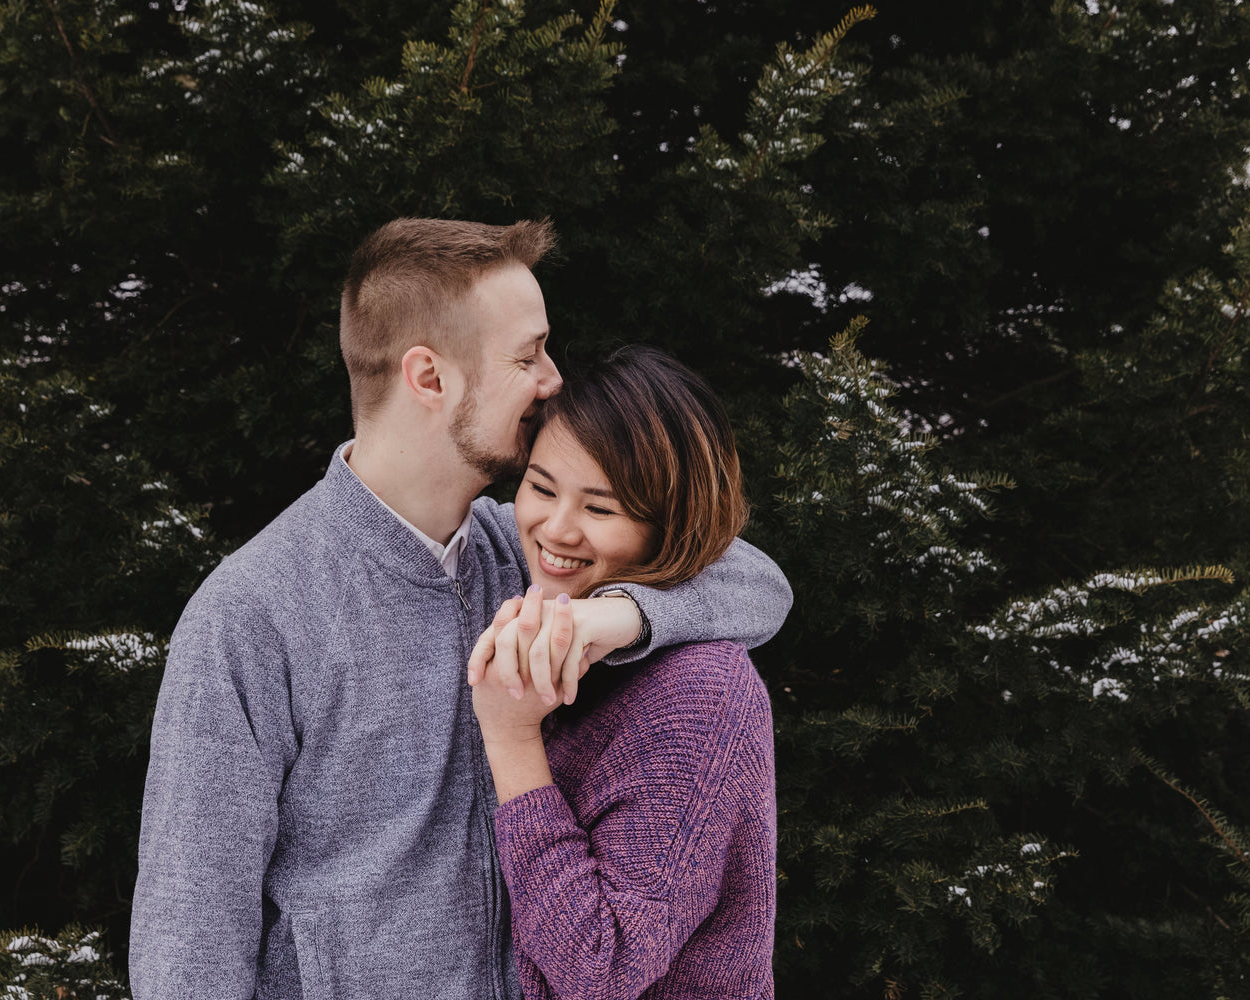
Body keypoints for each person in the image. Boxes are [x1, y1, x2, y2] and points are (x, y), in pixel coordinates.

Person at [129, 218, 792, 999]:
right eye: (527, 354)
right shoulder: (255, 613)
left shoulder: (522, 555)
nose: (552, 380)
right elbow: (187, 944)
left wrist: (618, 617)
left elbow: (752, 579)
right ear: (430, 378)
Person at [468, 346, 778, 1000]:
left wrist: (512, 738)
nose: (555, 529)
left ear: (669, 526)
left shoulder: (700, 690)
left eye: (599, 509)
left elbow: (600, 968)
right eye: (541, 487)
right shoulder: (522, 585)